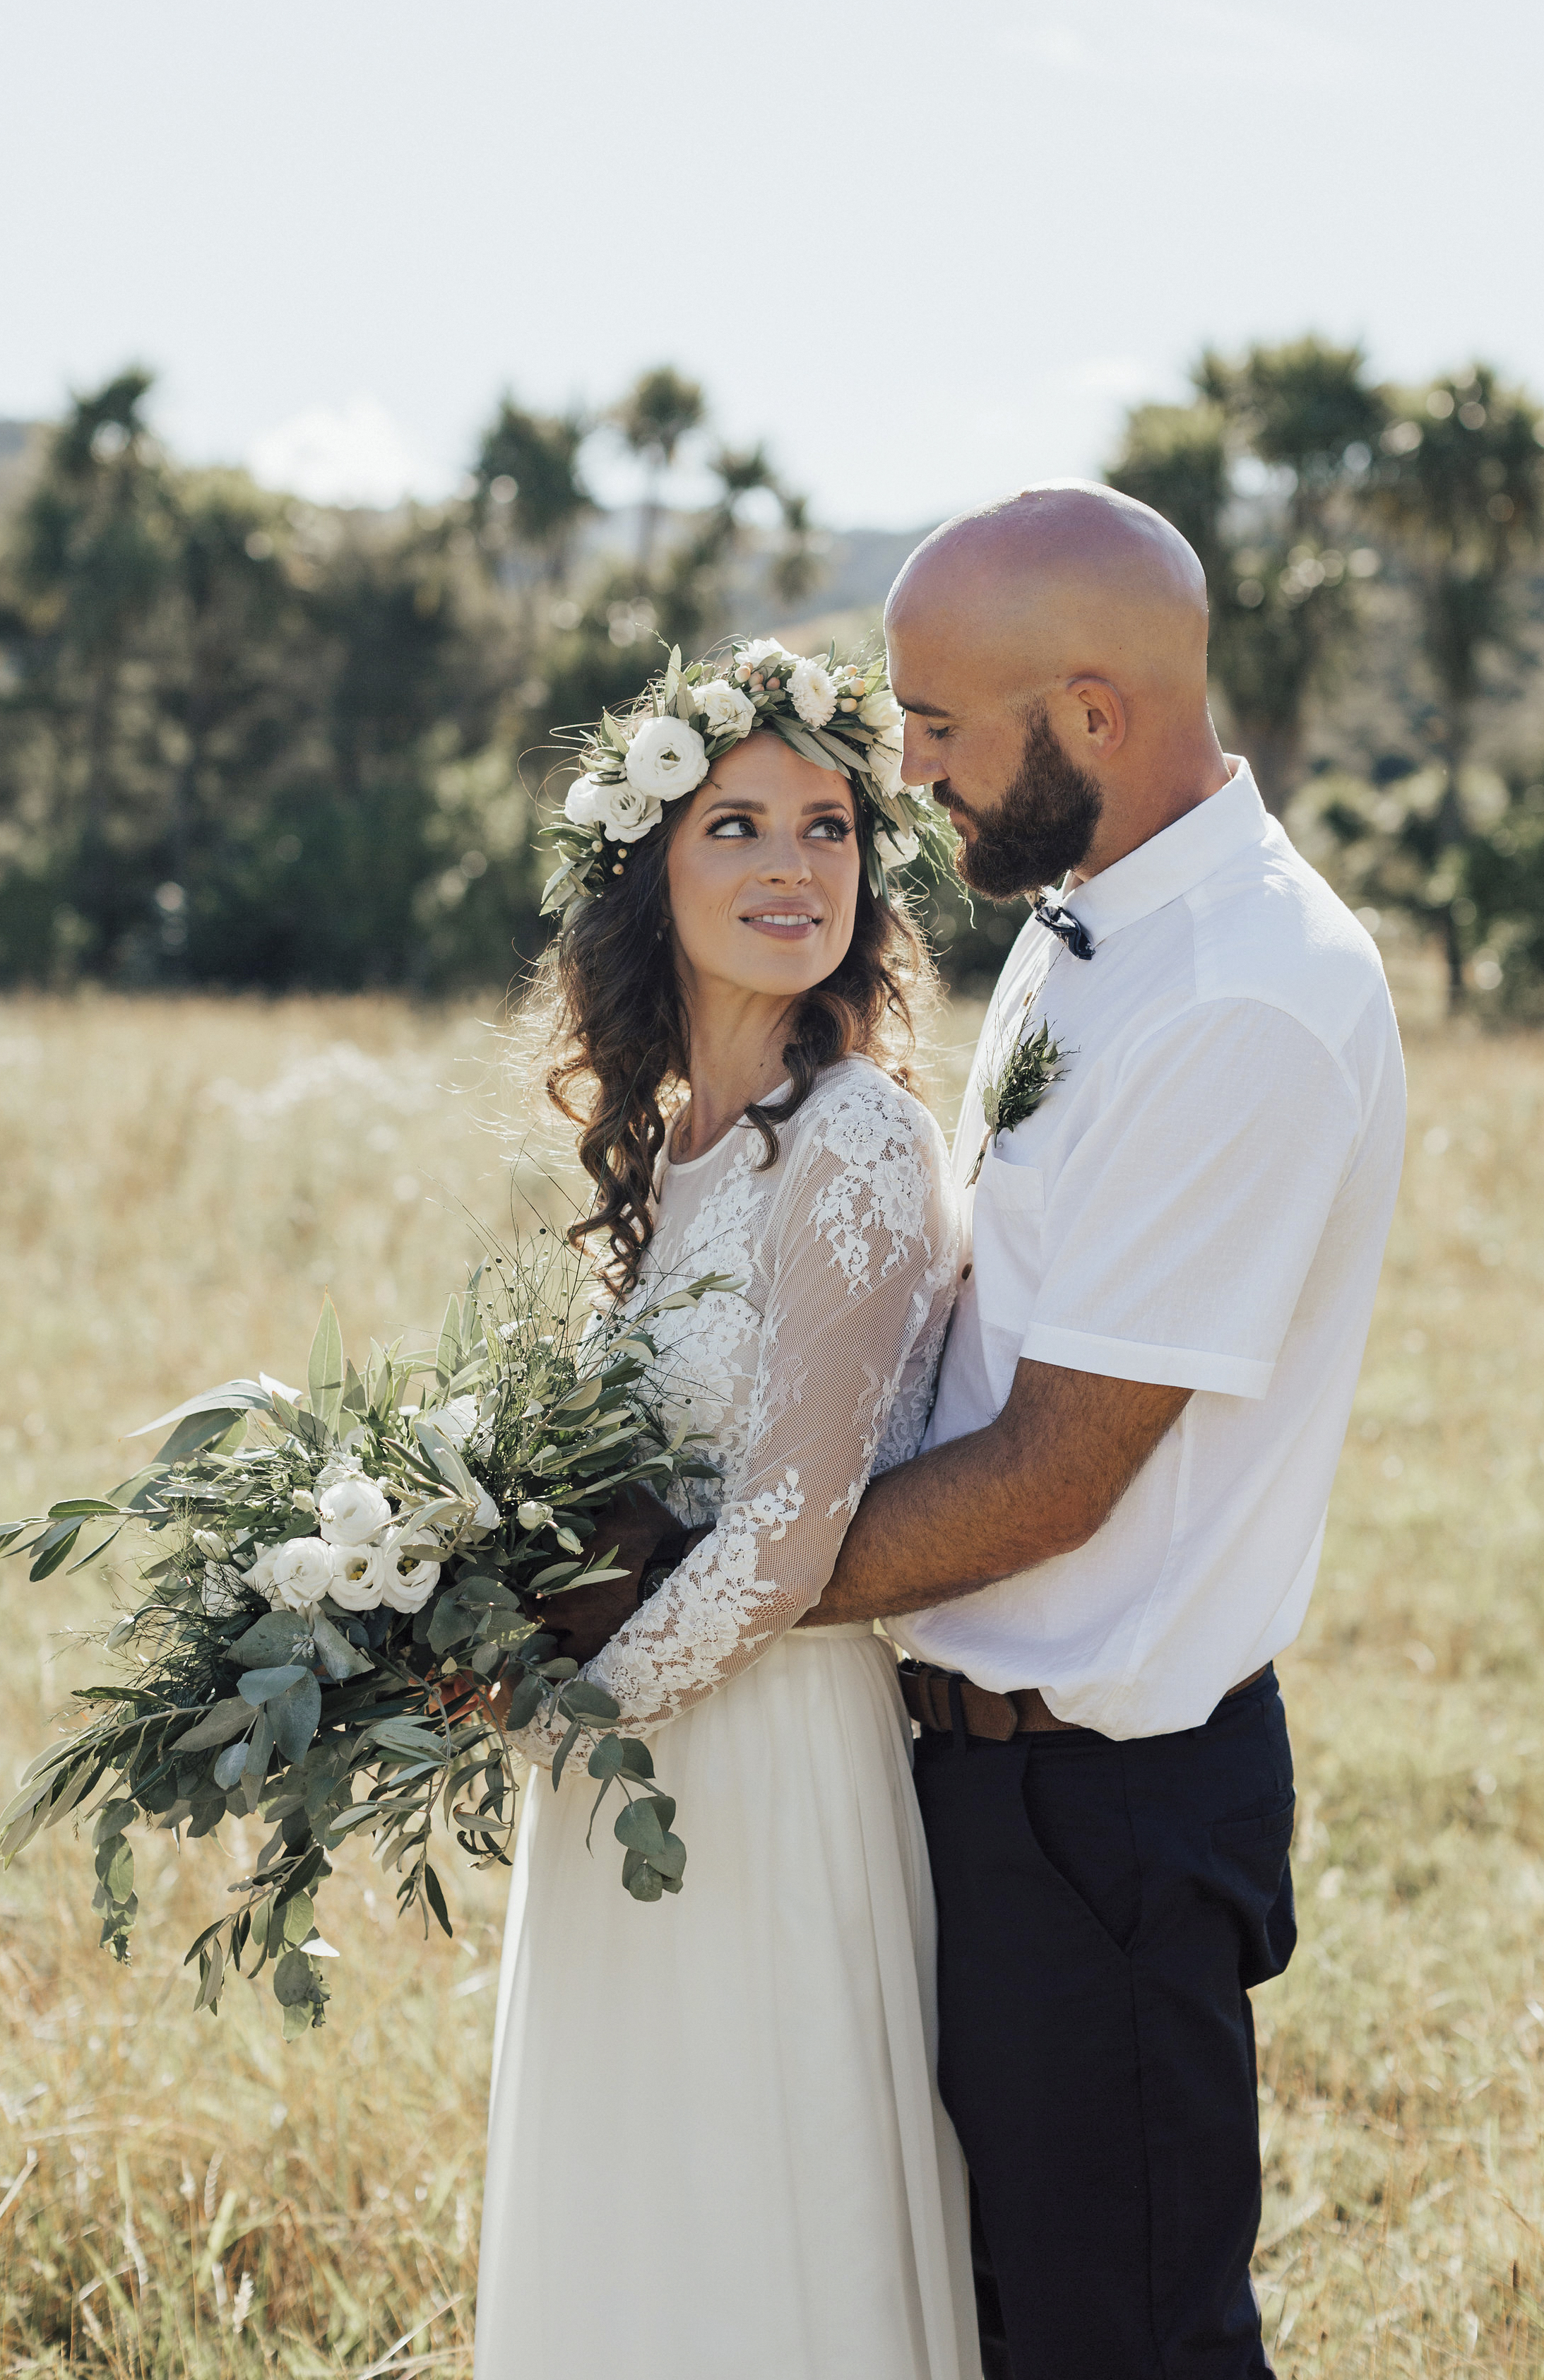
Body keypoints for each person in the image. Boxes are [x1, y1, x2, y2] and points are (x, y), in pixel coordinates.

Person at [804, 482, 1407, 2379]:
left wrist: (699, 1594)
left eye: (938, 725)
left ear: (1092, 711)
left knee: (1124, 2344)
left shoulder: (1244, 997)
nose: (908, 774)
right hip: (989, 1782)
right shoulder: (1100, 926)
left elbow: (1061, 1469)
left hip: (1105, 1819)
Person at [470, 644, 980, 2379]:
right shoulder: (682, 1146)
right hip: (633, 1769)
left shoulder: (855, 1141)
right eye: (738, 825)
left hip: (766, 1769)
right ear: (648, 874)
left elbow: (784, 1538)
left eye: (830, 827)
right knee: (637, 2213)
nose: (794, 867)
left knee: (761, 2216)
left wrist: (557, 1711)